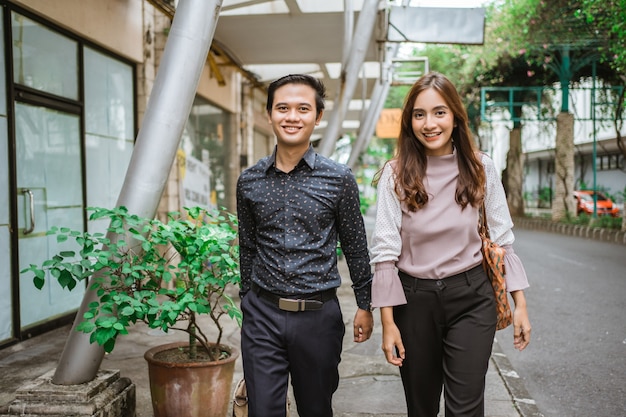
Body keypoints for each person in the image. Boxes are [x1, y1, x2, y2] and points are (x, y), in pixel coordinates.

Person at [369, 72, 531, 417]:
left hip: (472, 299)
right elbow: (384, 254)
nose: (430, 123)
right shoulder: (394, 174)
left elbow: (503, 239)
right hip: (413, 303)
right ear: (409, 120)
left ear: (456, 116)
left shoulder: (480, 166)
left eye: (439, 112)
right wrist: (388, 323)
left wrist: (520, 304)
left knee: (466, 408)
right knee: (421, 407)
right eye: (419, 114)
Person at [236, 73, 374, 417]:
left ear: (317, 116)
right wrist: (246, 298)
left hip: (318, 317)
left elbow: (355, 246)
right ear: (269, 114)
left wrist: (365, 303)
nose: (292, 117)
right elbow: (248, 246)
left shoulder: (338, 179)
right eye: (282, 108)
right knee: (262, 411)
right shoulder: (249, 181)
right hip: (262, 315)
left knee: (316, 409)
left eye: (302, 108)